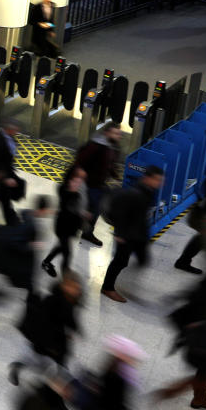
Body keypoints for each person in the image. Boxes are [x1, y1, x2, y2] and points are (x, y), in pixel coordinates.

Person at [155, 270, 206, 410]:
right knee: (205, 371)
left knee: (205, 371)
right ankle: (171, 392)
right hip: (203, 341)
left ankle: (199, 399)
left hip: (203, 340)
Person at [101, 165, 163, 303]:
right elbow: (121, 214)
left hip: (138, 233)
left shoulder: (148, 191)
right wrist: (119, 234)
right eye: (157, 180)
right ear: (148, 178)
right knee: (119, 261)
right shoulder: (134, 193)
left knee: (142, 258)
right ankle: (107, 287)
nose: (159, 183)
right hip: (126, 235)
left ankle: (125, 283)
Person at [73, 123, 121, 247]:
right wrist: (80, 171)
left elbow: (110, 164)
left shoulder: (113, 147)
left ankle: (86, 231)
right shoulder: (95, 145)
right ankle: (82, 230)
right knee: (92, 209)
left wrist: (115, 176)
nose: (118, 136)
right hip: (89, 184)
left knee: (95, 209)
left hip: (100, 184)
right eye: (115, 133)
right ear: (107, 133)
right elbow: (80, 159)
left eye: (119, 133)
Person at [41, 167, 88, 277]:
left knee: (61, 247)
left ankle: (46, 262)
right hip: (63, 227)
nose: (79, 184)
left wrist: (82, 215)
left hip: (70, 227)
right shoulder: (64, 192)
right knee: (67, 253)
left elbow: (76, 210)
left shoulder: (76, 193)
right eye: (76, 181)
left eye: (80, 181)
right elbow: (68, 209)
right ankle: (66, 277)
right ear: (69, 181)